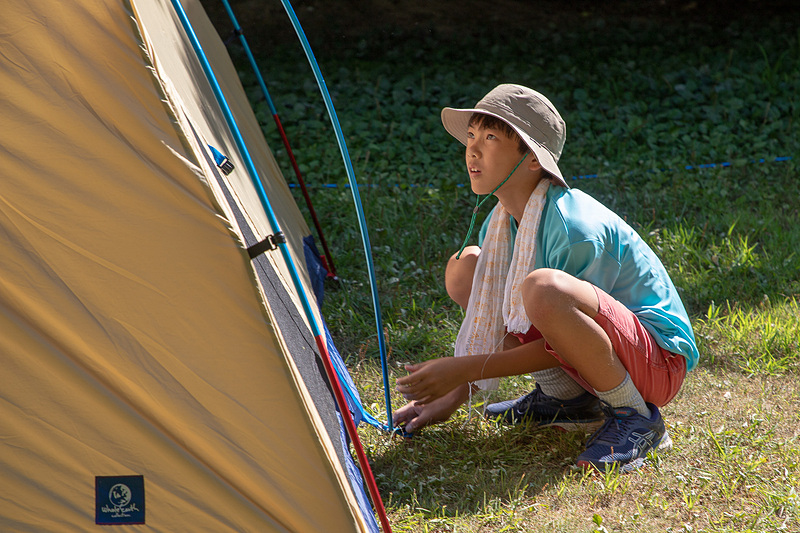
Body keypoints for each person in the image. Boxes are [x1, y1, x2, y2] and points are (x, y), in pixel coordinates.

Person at [393, 84, 699, 472]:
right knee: (467, 268)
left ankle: (637, 418)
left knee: (542, 289)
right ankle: (567, 401)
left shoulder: (573, 228)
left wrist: (465, 372)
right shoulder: (502, 218)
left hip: (656, 366)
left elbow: (566, 336)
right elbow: (516, 318)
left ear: (533, 159)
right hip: (598, 357)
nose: (472, 149)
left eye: (490, 137)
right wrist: (454, 393)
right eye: (471, 135)